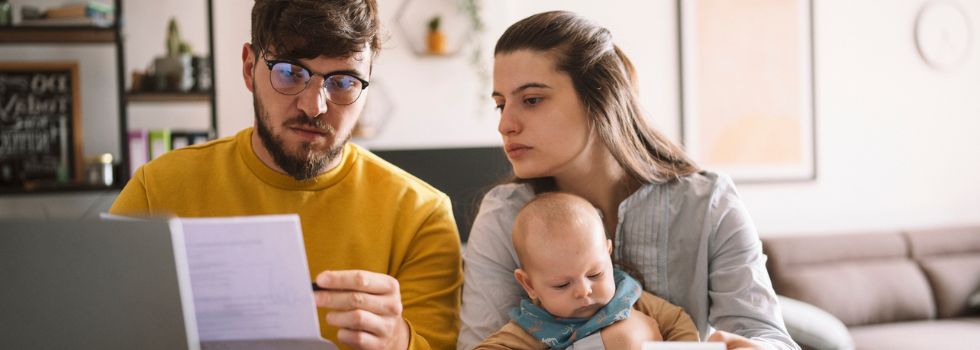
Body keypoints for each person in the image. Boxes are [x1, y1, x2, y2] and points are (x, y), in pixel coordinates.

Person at [109, 1, 462, 349]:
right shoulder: (157, 189)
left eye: (343, 82)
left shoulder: (422, 216)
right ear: (249, 68)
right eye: (291, 73)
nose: (314, 106)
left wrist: (398, 341)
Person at [458, 11, 800, 350]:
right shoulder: (504, 216)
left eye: (532, 100)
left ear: (601, 98)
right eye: (501, 105)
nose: (506, 125)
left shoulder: (709, 203)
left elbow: (770, 336)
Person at [475, 192, 698, 350]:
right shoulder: (534, 326)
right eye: (562, 284)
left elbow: (678, 322)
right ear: (529, 285)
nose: (584, 291)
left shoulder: (629, 297)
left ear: (608, 255)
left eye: (595, 274)